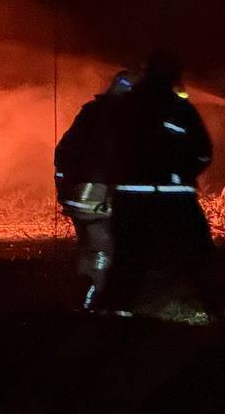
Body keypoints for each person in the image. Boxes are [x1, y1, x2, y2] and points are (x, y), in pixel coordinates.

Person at [102, 53, 225, 320]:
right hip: (175, 200)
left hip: (131, 199)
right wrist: (182, 174)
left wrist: (118, 178)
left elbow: (106, 149)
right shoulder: (180, 109)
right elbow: (203, 152)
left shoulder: (123, 107)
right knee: (198, 257)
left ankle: (111, 317)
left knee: (128, 259)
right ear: (172, 76)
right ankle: (222, 312)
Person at [54, 68, 139, 309]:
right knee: (103, 251)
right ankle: (93, 302)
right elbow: (121, 160)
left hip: (76, 195)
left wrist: (62, 185)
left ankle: (81, 298)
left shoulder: (91, 112)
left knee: (87, 247)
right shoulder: (124, 117)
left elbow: (63, 151)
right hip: (99, 199)